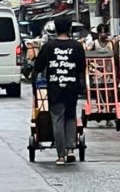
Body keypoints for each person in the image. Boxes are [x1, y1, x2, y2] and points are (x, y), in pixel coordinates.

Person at [33, 13, 87, 165]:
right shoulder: (77, 46)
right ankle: (70, 150)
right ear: (69, 28)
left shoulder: (48, 47)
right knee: (70, 118)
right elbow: (82, 68)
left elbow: (38, 67)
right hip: (72, 88)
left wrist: (34, 81)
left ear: (55, 29)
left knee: (57, 119)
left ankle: (61, 155)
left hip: (55, 88)